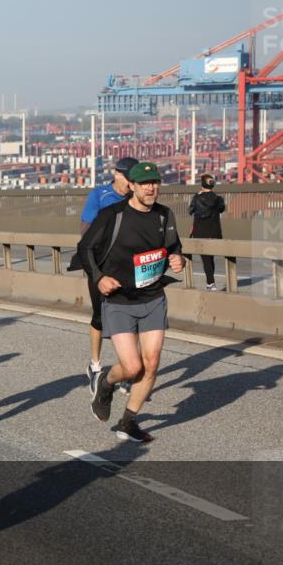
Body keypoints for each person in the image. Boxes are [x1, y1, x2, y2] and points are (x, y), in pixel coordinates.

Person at [77, 161, 185, 443]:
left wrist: (178, 258)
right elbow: (85, 247)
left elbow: (173, 246)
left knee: (151, 363)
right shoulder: (113, 215)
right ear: (132, 186)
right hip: (119, 301)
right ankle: (106, 382)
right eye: (144, 184)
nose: (151, 188)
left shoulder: (164, 215)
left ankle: (128, 422)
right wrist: (99, 277)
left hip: (153, 297)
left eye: (155, 183)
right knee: (133, 367)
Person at [71, 156, 136, 396]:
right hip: (101, 265)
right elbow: (85, 229)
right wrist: (95, 261)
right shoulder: (100, 195)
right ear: (117, 174)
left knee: (129, 317)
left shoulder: (136, 197)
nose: (132, 182)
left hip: (127, 266)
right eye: (129, 177)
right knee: (100, 316)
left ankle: (128, 370)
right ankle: (95, 365)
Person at [188, 173, 226, 291]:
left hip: (200, 231)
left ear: (202, 184)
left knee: (205, 258)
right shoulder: (218, 199)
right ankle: (211, 282)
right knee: (210, 257)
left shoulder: (197, 198)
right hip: (214, 231)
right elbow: (222, 209)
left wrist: (198, 196)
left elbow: (190, 211)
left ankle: (211, 283)